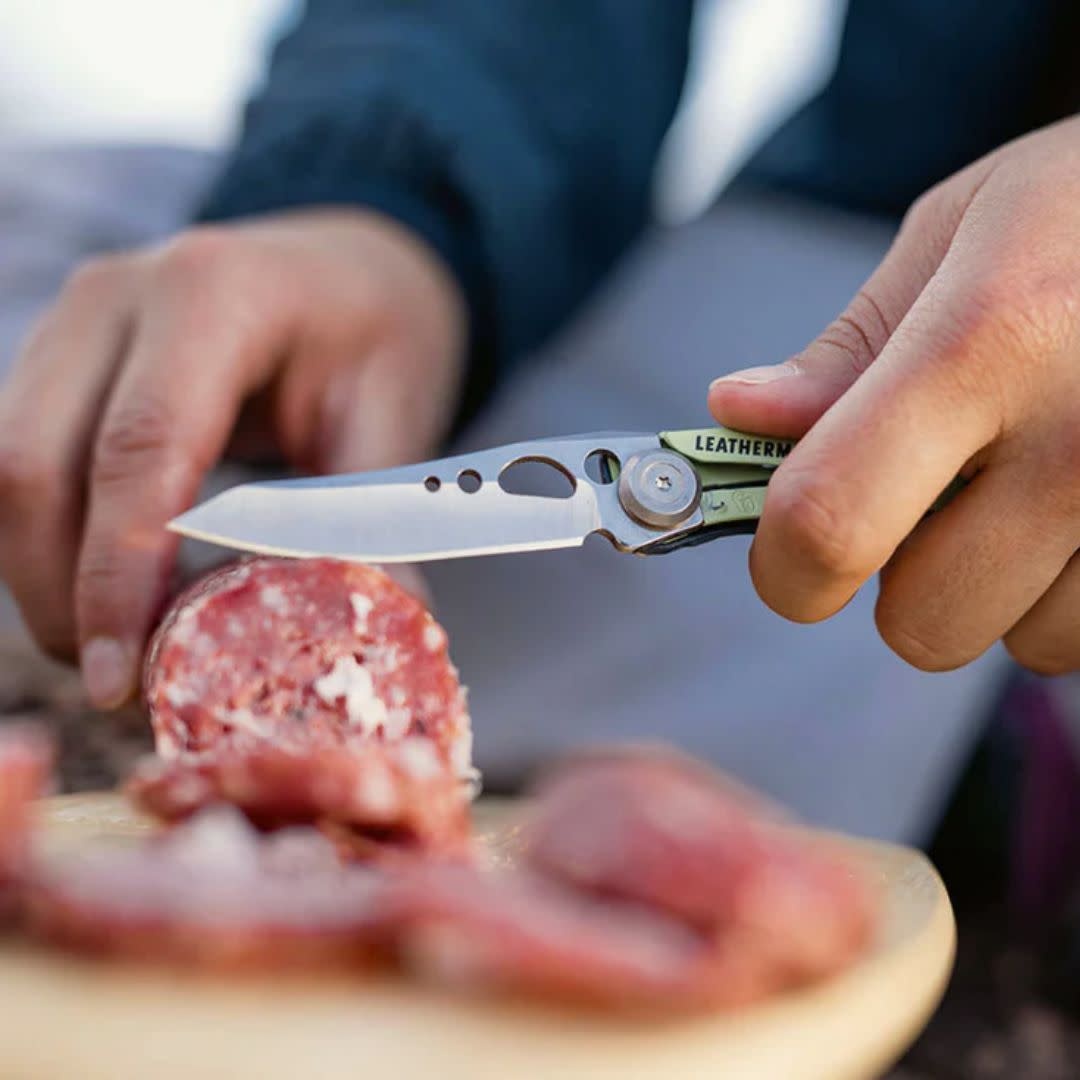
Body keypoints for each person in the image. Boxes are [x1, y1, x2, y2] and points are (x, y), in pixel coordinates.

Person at [0, 0, 1076, 842]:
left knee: (830, 554)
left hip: (908, 337)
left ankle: (992, 742)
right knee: (60, 251)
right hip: (848, 298)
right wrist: (388, 206)